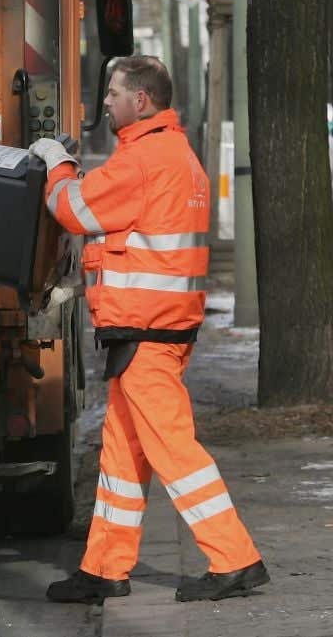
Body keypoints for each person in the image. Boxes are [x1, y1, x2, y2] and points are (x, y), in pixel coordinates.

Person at [30, 56, 268, 604]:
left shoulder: (142, 160)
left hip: (143, 332)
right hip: (161, 331)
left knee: (172, 450)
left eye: (114, 93)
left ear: (142, 100)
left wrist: (57, 162)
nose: (105, 102)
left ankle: (235, 559)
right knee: (122, 454)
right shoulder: (176, 156)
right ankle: (104, 567)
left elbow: (72, 209)